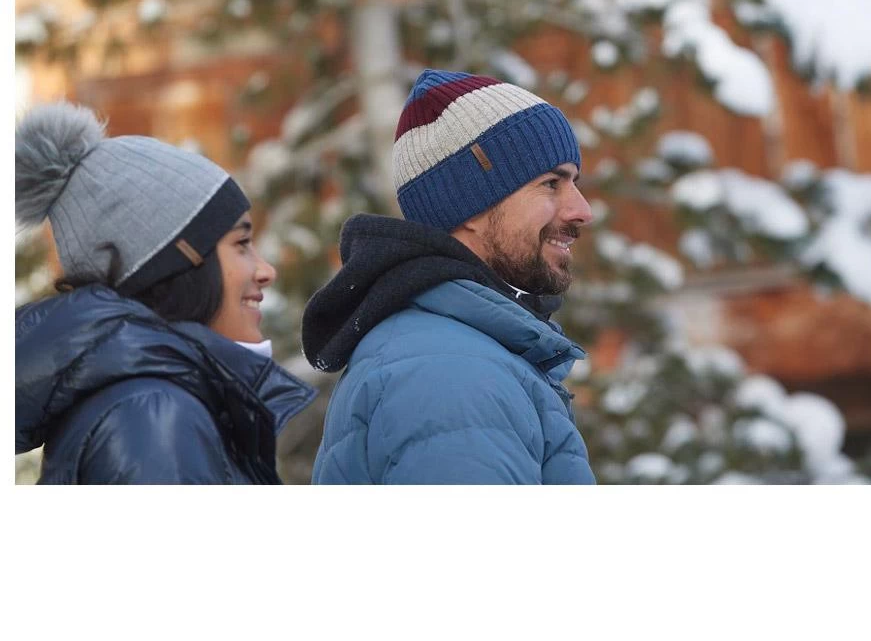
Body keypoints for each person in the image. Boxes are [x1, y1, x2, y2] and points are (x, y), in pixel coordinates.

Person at [304, 69, 596, 484]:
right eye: (551, 183)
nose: (582, 210)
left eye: (574, 182)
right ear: (471, 206)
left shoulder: (463, 352)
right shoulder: (451, 375)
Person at [15, 101, 317, 484]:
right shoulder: (152, 418)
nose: (266, 270)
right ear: (177, 262)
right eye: (241, 244)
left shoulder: (147, 404)